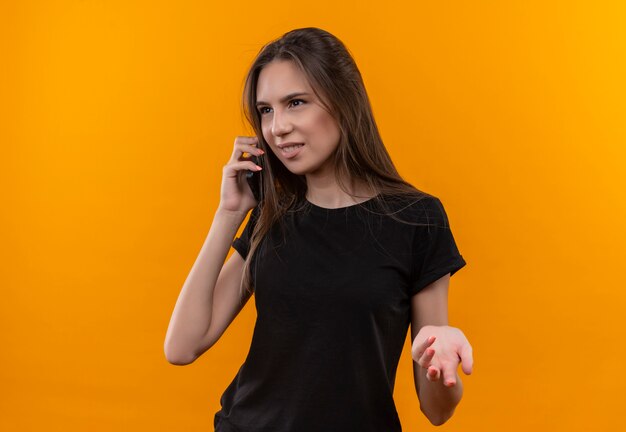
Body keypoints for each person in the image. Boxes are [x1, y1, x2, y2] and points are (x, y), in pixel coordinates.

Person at [164, 27, 473, 431]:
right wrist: (229, 212)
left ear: (343, 102)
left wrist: (441, 365)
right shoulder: (271, 217)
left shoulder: (417, 219)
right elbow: (182, 347)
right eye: (266, 110)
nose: (277, 128)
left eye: (295, 103)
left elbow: (437, 410)